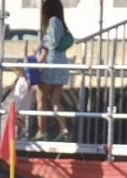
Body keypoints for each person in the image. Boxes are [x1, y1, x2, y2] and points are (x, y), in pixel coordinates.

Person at [34, 0, 73, 140]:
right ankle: (64, 128)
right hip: (61, 64)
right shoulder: (61, 22)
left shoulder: (53, 21)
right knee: (55, 100)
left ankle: (42, 131)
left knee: (41, 98)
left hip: (51, 65)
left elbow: (51, 43)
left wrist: (40, 56)